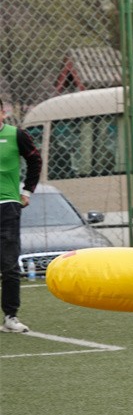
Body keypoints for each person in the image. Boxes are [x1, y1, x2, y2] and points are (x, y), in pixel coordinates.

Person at [0, 98, 42, 334]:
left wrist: (26, 192)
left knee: (9, 264)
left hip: (7, 206)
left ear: (3, 113)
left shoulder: (16, 135)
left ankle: (10, 317)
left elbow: (35, 160)